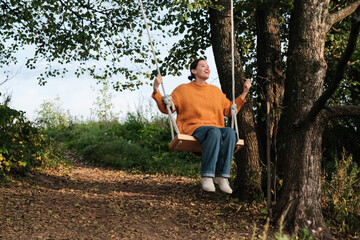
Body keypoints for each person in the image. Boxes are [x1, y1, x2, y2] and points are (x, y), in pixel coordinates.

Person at [152, 58, 251, 194]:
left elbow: (229, 111)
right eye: (203, 66)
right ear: (193, 71)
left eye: (208, 66)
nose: (207, 68)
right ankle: (207, 175)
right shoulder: (183, 89)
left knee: (230, 133)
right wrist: (156, 89)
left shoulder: (215, 91)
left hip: (214, 128)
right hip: (193, 128)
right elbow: (167, 108)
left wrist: (244, 92)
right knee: (214, 132)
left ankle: (222, 177)